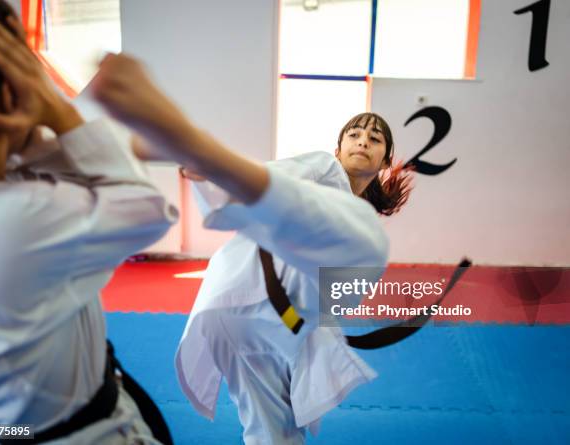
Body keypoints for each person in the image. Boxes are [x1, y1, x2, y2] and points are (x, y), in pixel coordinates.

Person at [88, 50, 412, 443]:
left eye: (374, 138)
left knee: (278, 427)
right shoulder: (324, 170)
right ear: (339, 146)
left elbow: (329, 294)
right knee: (273, 431)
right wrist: (213, 167)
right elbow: (275, 176)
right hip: (250, 311)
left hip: (273, 322)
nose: (363, 141)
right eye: (354, 134)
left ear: (384, 160)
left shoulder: (357, 216)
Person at [0, 3, 176, 443]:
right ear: (7, 95)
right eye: (355, 134)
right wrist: (59, 113)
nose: (360, 141)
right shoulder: (14, 218)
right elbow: (145, 207)